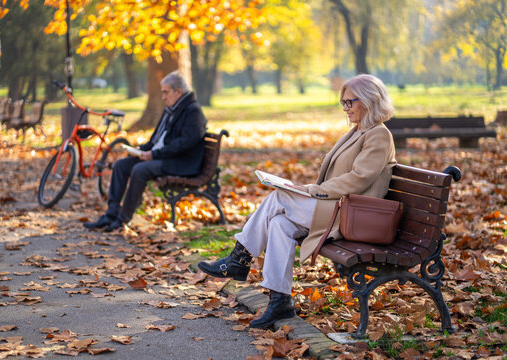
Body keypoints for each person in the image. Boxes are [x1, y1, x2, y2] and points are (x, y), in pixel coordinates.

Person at [198, 74, 396, 329]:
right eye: (343, 103)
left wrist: (315, 190)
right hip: (338, 208)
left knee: (279, 196)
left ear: (369, 101)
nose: (345, 108)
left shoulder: (378, 135)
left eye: (350, 102)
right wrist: (311, 191)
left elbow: (359, 179)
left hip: (352, 215)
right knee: (280, 223)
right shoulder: (358, 131)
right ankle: (280, 301)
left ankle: (240, 258)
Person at [84, 71, 207, 232]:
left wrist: (154, 154)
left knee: (140, 169)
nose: (163, 97)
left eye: (166, 92)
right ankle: (111, 213)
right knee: (121, 165)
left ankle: (122, 218)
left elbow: (186, 143)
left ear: (178, 91)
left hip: (181, 163)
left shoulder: (192, 111)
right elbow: (155, 140)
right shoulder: (171, 109)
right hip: (164, 157)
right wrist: (140, 150)